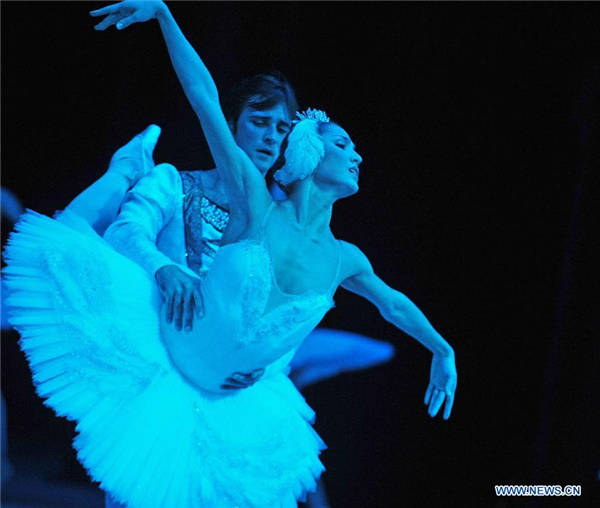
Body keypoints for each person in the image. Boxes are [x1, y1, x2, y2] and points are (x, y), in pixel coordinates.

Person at [3, 2, 457, 507]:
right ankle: (123, 170)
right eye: (259, 122)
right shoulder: (212, 192)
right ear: (236, 126)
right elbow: (197, 108)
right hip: (160, 341)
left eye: (281, 128)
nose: (270, 136)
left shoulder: (321, 242)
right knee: (73, 238)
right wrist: (166, 268)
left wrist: (271, 362)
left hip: (228, 390)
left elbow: (307, 309)